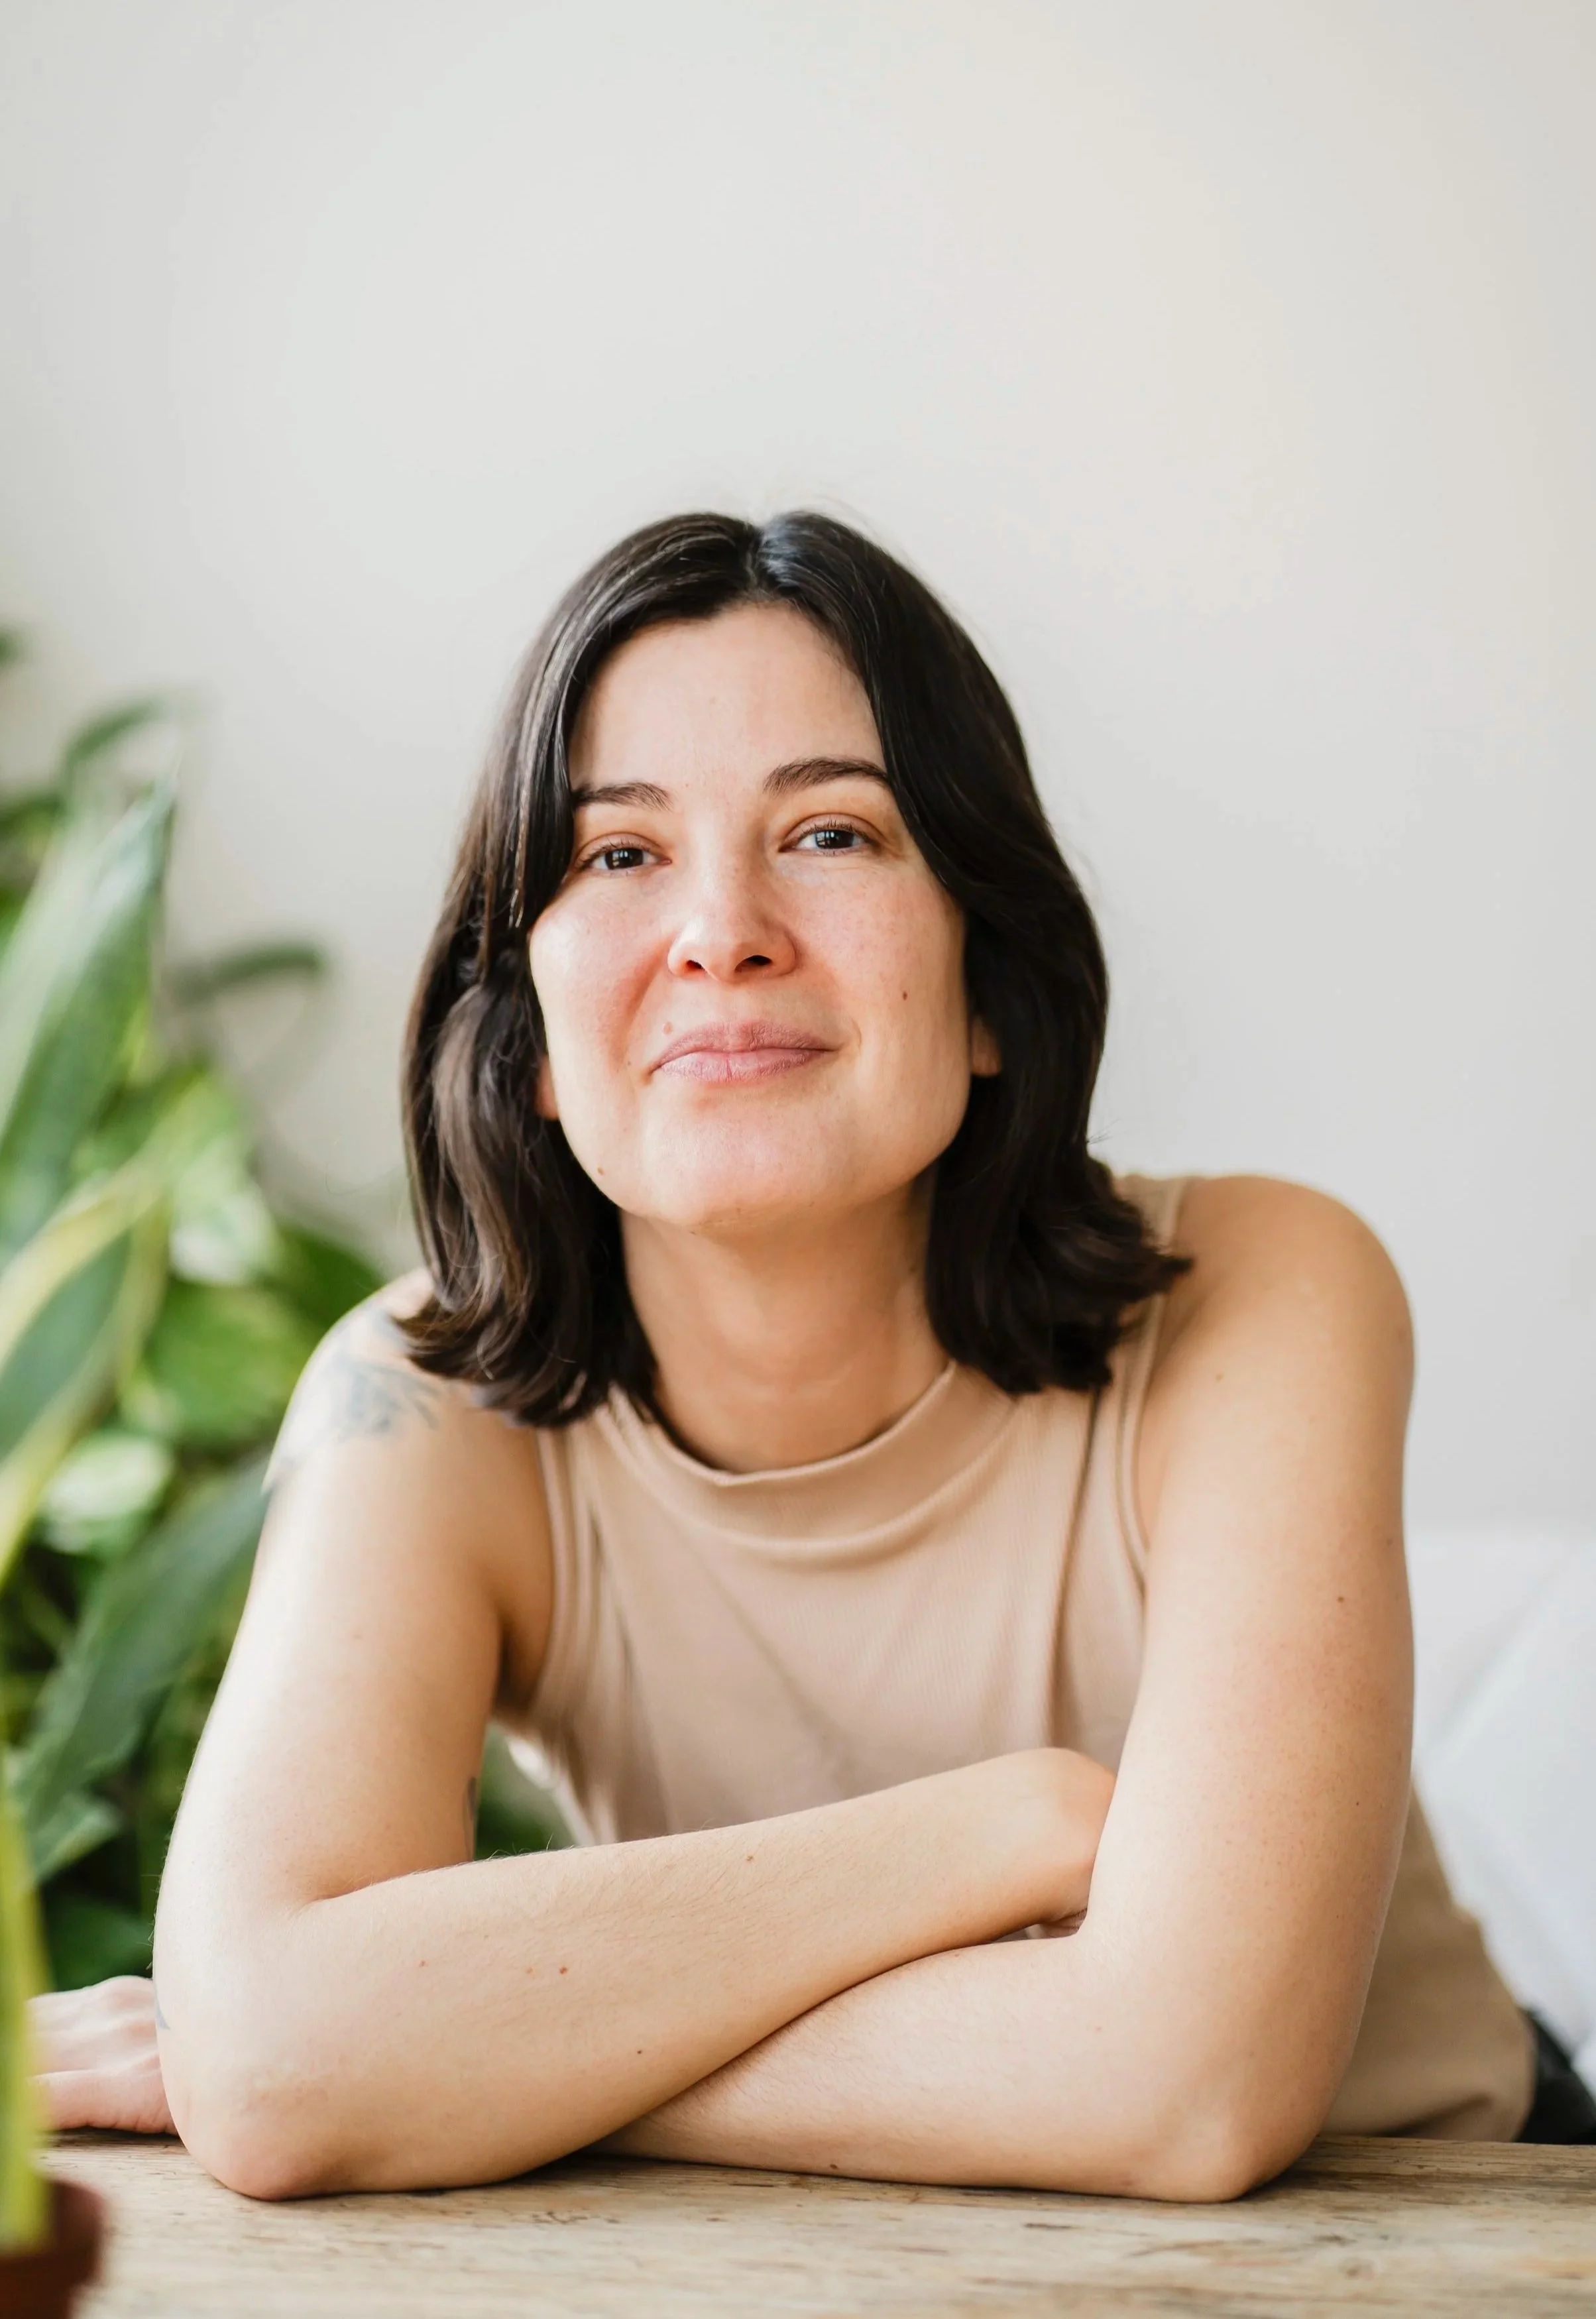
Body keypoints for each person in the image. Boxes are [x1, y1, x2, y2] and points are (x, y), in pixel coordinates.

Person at [33, 511, 1543, 2201]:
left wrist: (494, 2058)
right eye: (616, 856)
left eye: (832, 831)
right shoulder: (422, 1399)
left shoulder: (1263, 1291)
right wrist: (1016, 1826)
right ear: (529, 1040)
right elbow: (276, 2058)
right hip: (802, 2257)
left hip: (1436, 2233)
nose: (721, 929)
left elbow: (1190, 2089)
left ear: (988, 993)